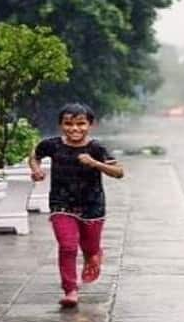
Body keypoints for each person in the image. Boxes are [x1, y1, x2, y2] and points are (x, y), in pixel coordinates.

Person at [30, 103, 124, 308]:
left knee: (89, 248)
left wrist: (95, 163)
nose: (74, 129)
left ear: (90, 125)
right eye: (68, 124)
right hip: (61, 204)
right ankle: (70, 289)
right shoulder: (52, 145)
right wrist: (36, 170)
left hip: (92, 206)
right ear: (61, 125)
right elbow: (35, 155)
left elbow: (119, 172)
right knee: (68, 246)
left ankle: (94, 254)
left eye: (80, 124)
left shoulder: (96, 148)